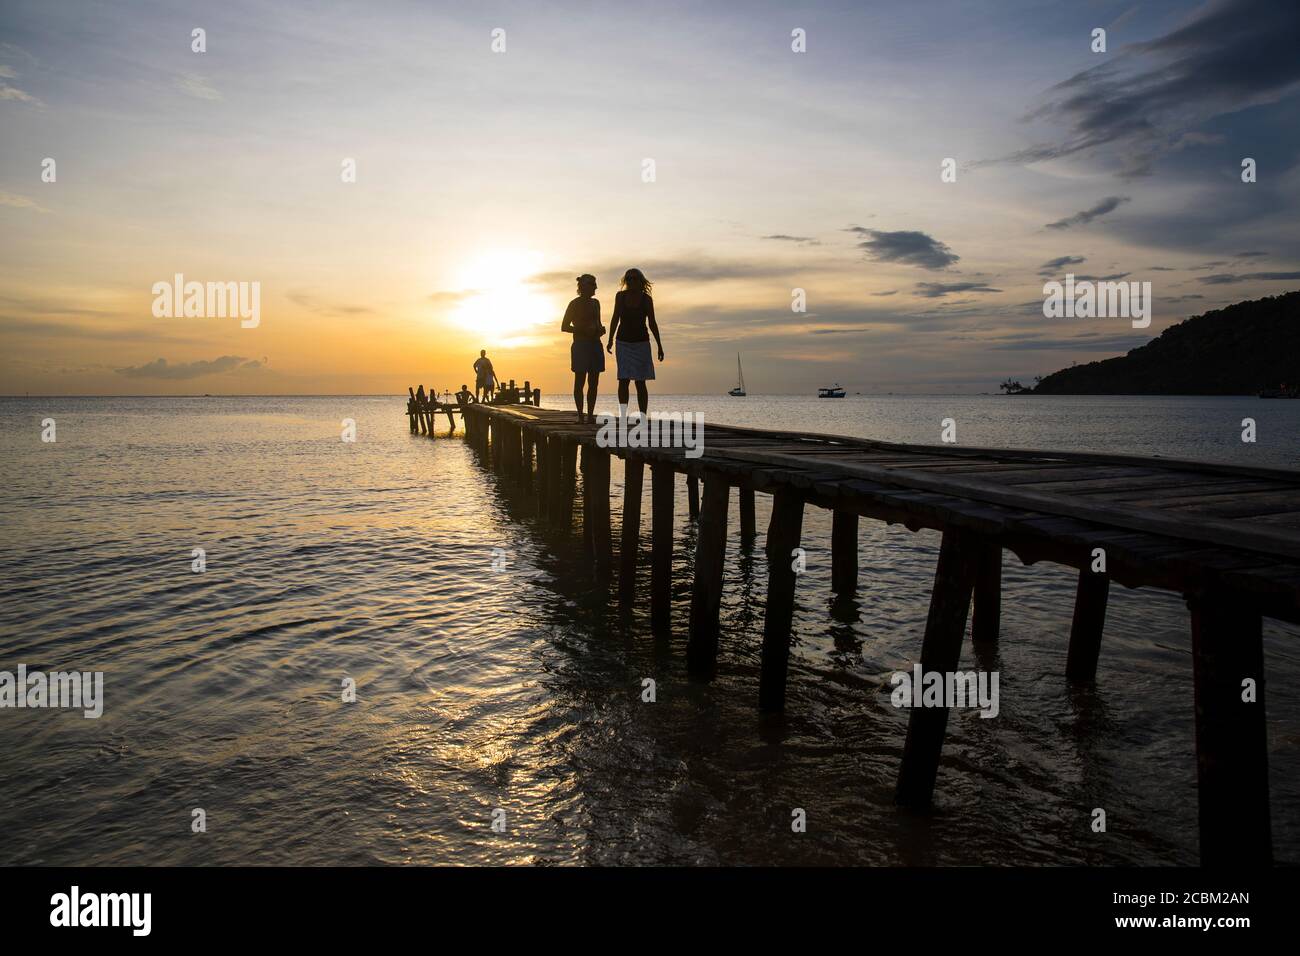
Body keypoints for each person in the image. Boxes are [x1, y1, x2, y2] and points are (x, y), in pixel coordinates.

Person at [606, 268, 663, 415]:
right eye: (629, 279)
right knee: (623, 380)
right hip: (623, 342)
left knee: (640, 381)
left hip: (641, 343)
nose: (631, 281)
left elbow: (652, 323)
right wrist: (610, 339)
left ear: (640, 281)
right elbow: (615, 318)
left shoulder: (646, 299)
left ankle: (643, 415)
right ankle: (623, 415)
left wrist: (659, 346)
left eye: (634, 278)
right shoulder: (620, 297)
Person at [562, 274, 604, 423]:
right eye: (593, 284)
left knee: (594, 383)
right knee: (579, 381)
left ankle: (590, 415)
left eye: (595, 284)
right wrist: (582, 330)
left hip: (595, 344)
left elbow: (598, 322)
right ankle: (580, 415)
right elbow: (564, 326)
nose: (595, 287)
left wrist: (600, 329)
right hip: (580, 345)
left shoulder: (596, 303)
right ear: (583, 287)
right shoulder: (574, 304)